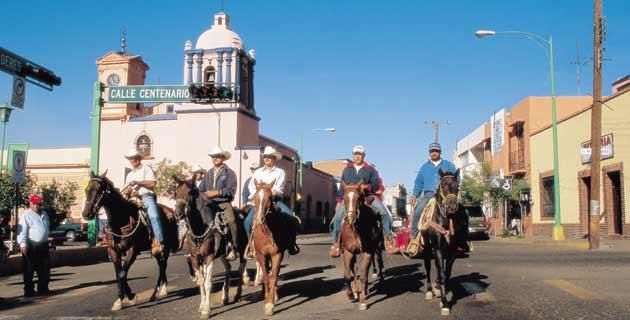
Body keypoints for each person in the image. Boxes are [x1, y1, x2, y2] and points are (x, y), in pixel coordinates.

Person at [329, 145, 398, 258]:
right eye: (356, 154)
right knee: (336, 219)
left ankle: (388, 241)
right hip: (350, 199)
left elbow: (376, 184)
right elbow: (342, 188)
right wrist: (338, 202)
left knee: (385, 214)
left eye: (360, 154)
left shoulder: (370, 169)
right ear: (353, 155)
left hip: (368, 197)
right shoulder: (347, 170)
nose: (357, 156)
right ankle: (336, 244)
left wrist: (367, 187)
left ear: (363, 156)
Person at [244, 146, 300, 255]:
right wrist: (259, 195)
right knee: (247, 221)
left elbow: (279, 188)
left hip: (275, 201)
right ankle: (251, 245)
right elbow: (251, 187)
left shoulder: (280, 172)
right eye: (265, 157)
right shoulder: (258, 172)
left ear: (274, 159)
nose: (267, 159)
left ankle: (291, 244)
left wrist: (269, 193)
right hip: (260, 203)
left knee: (291, 218)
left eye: (270, 157)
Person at [408, 142, 460, 248]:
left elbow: (456, 178)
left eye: (436, 151)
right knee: (418, 210)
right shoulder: (424, 167)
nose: (434, 153)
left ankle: (462, 237)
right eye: (432, 151)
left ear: (440, 152)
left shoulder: (449, 165)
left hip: (446, 194)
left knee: (460, 211)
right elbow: (418, 183)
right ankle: (414, 237)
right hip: (429, 194)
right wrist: (414, 195)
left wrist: (453, 190)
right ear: (429, 153)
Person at [197, 146, 240, 259]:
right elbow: (201, 190)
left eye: (217, 156)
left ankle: (234, 247)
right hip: (209, 204)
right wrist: (206, 197)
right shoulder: (208, 174)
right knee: (197, 218)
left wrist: (217, 193)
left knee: (231, 221)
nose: (215, 158)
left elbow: (231, 190)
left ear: (223, 158)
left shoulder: (230, 173)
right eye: (213, 157)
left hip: (223, 203)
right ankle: (196, 244)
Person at [121, 148, 164, 250]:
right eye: (130, 159)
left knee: (154, 216)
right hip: (132, 199)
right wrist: (127, 191)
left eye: (134, 158)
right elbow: (127, 188)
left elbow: (152, 183)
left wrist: (138, 182)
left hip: (146, 197)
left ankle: (159, 241)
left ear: (139, 159)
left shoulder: (146, 169)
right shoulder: (129, 175)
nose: (132, 160)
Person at [17, 195, 51, 297]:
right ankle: (29, 291)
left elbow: (46, 227)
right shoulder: (26, 215)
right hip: (31, 245)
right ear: (30, 203)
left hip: (43, 245)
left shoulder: (44, 214)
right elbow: (22, 231)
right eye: (34, 204)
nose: (37, 206)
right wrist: (22, 244)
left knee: (44, 268)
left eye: (39, 204)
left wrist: (47, 236)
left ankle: (43, 289)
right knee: (29, 269)